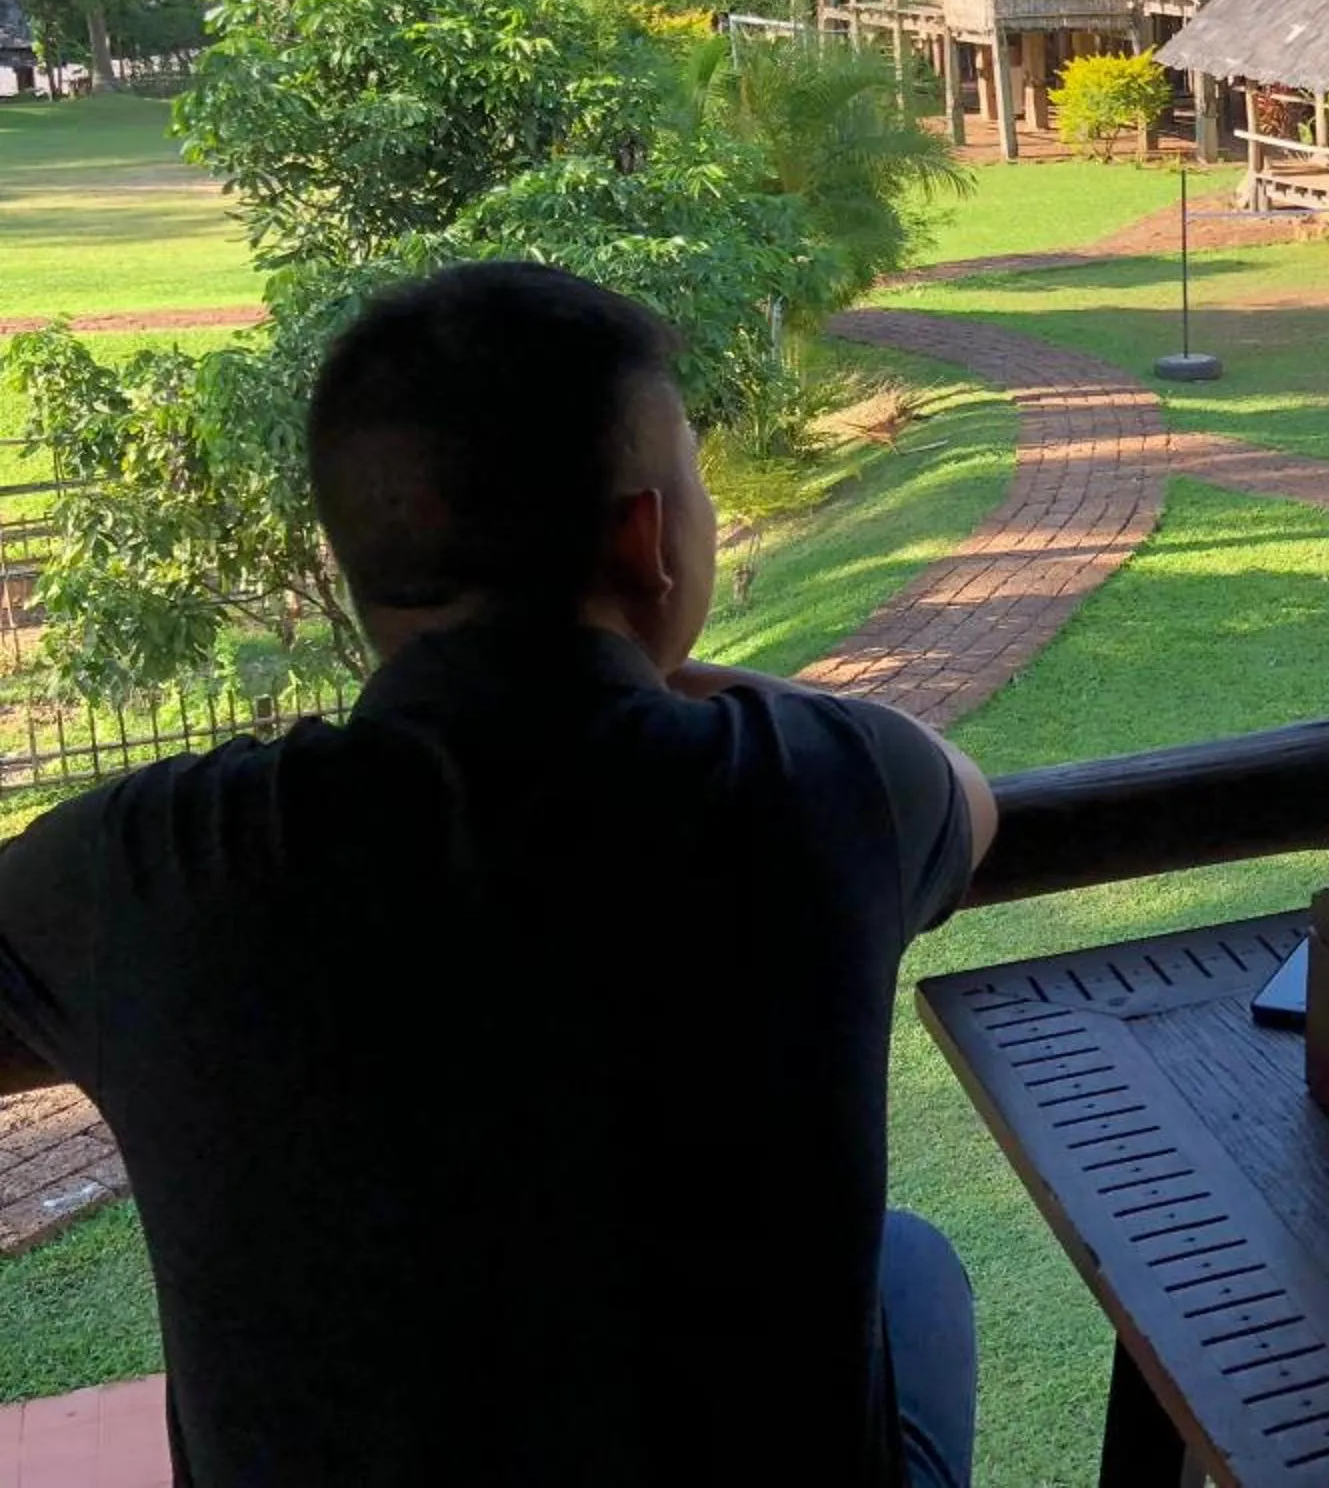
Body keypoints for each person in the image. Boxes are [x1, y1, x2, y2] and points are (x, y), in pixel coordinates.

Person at [0, 262, 999, 1486]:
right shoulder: (822, 784)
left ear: (363, 562)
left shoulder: (149, 864)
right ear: (646, 539)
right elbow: (966, 791)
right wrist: (692, 682)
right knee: (917, 1271)